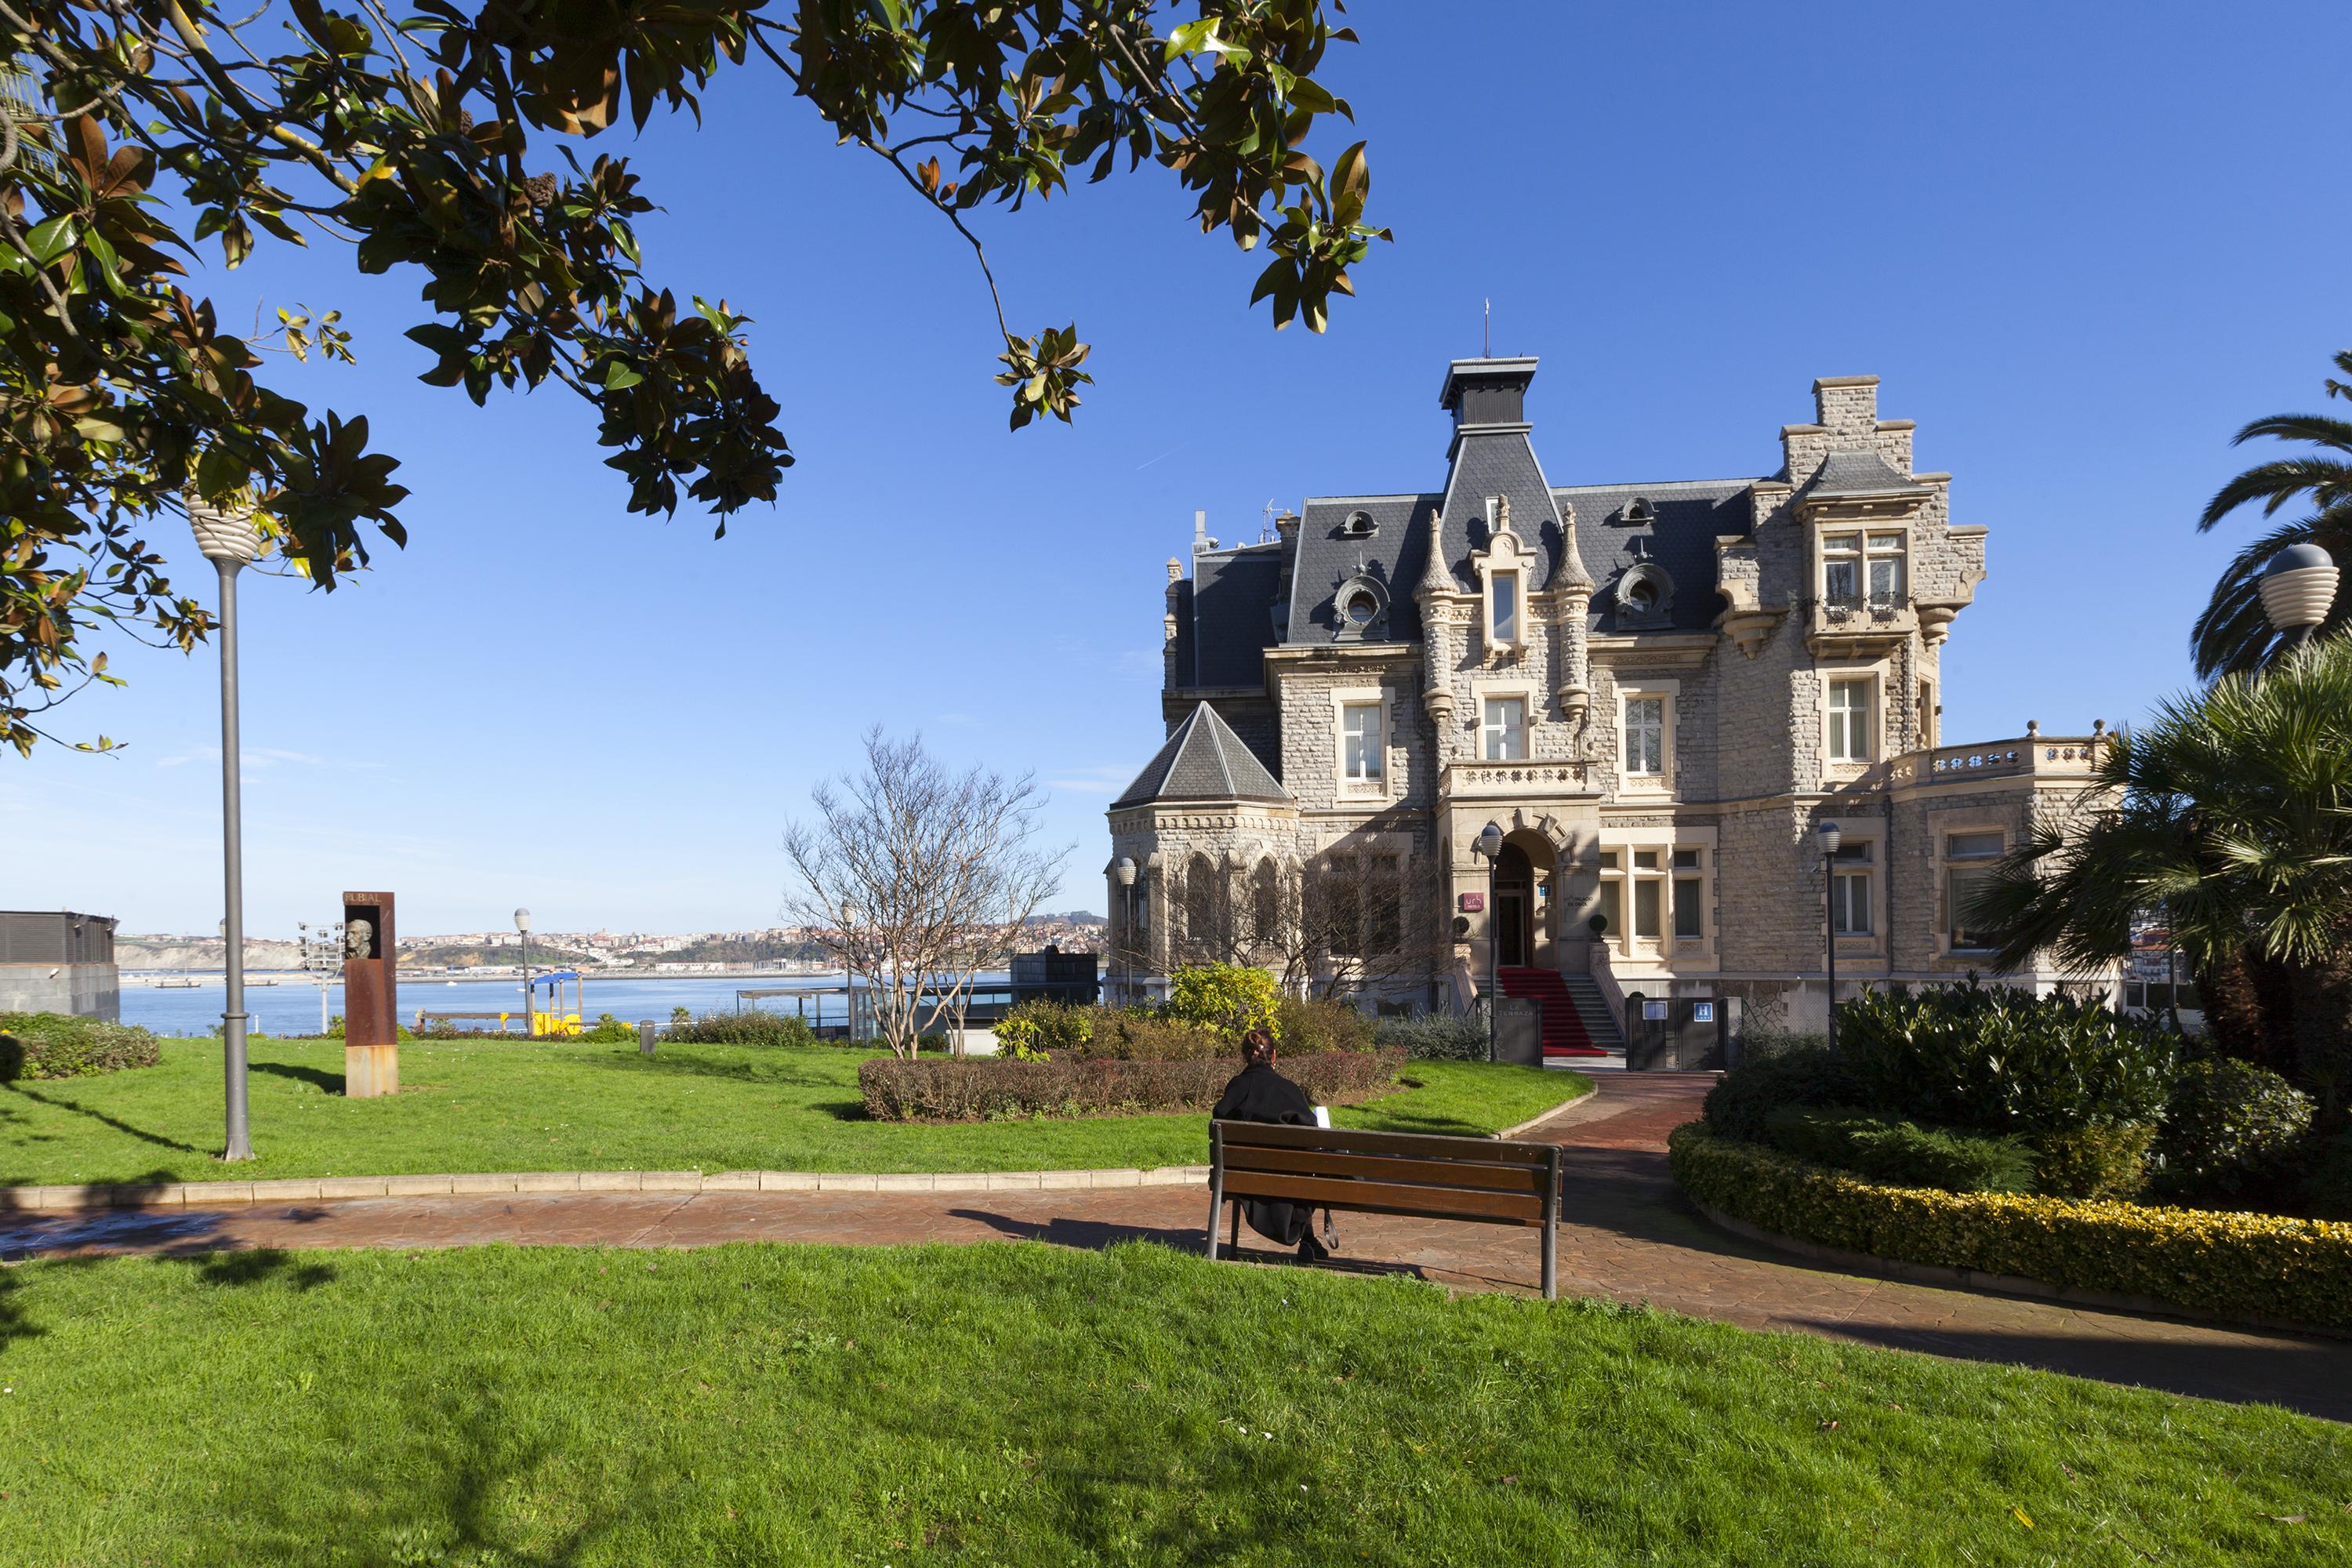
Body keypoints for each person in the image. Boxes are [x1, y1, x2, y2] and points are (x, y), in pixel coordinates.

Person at [1211, 1027, 1333, 1261]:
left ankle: (1307, 1239)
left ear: (1245, 1056)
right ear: (1274, 1056)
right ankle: (1307, 1239)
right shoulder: (1289, 1090)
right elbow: (1313, 1137)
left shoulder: (1235, 1088)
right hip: (1286, 1183)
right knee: (1309, 1167)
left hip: (1242, 1180)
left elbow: (1218, 1120)